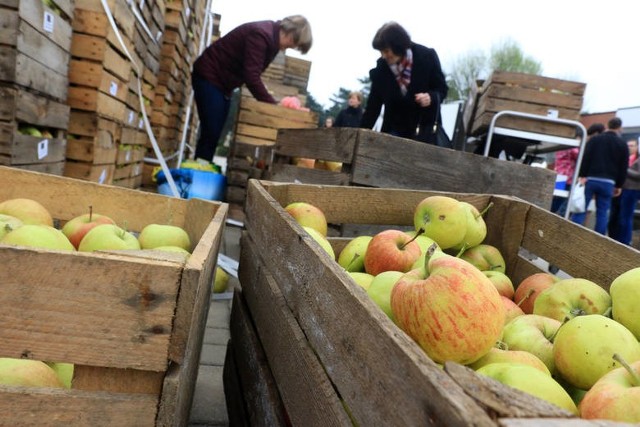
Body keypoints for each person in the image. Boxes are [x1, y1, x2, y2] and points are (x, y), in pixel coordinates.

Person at [191, 15, 313, 163]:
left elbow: (253, 72)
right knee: (211, 130)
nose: (292, 47)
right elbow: (251, 76)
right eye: (294, 43)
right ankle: (198, 174)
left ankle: (202, 169)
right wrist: (272, 105)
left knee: (214, 132)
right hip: (210, 76)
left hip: (223, 86)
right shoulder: (261, 35)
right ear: (289, 31)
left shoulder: (272, 41)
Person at [360, 22, 448, 144]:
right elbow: (373, 107)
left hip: (424, 130)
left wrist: (430, 97)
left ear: (398, 46)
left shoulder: (427, 56)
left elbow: (442, 89)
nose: (383, 56)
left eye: (386, 51)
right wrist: (359, 135)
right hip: (393, 133)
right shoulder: (381, 69)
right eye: (381, 52)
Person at [571, 117, 629, 235]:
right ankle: (598, 240)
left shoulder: (595, 140)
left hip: (591, 179)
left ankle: (573, 233)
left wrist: (582, 175)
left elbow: (585, 158)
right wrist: (619, 185)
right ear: (619, 128)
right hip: (609, 182)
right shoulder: (622, 144)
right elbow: (623, 167)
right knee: (602, 212)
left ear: (607, 125)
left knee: (581, 207)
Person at [551, 123, 604, 216]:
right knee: (563, 199)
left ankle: (551, 213)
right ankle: (556, 216)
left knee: (557, 197)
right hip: (567, 177)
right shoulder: (572, 146)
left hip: (559, 175)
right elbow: (581, 156)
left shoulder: (563, 145)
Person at [614, 138, 640, 245]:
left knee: (626, 216)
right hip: (629, 190)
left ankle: (625, 241)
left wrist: (625, 169)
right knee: (625, 216)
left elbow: (638, 175)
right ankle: (624, 240)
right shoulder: (634, 158)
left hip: (632, 190)